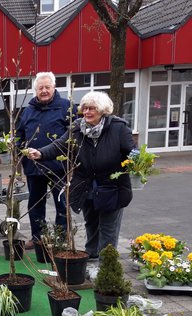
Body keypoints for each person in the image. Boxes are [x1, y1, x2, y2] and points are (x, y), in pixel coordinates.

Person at [27, 91, 135, 259]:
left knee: (108, 229)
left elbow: (132, 153)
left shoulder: (118, 128)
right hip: (86, 186)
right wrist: (40, 153)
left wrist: (138, 165)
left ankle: (107, 265)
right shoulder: (77, 128)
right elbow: (59, 146)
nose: (86, 112)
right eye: (84, 108)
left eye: (91, 108)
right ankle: (91, 256)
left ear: (102, 110)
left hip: (111, 188)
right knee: (91, 224)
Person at [16, 72, 69, 249]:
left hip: (58, 167)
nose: (44, 91)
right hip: (34, 167)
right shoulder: (28, 110)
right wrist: (19, 151)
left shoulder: (66, 107)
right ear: (35, 90)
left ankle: (61, 239)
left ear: (54, 87)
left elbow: (74, 136)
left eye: (47, 87)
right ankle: (38, 237)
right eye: (41, 88)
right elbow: (19, 135)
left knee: (62, 204)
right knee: (35, 204)